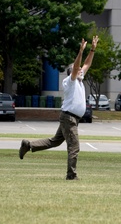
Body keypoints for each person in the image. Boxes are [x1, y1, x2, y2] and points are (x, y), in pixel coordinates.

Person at [19, 36, 99, 180]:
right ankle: (71, 175)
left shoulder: (79, 80)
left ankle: (28, 145)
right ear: (72, 73)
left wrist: (92, 49)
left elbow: (87, 64)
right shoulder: (71, 81)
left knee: (55, 141)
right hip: (69, 118)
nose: (81, 70)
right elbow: (77, 66)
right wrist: (80, 52)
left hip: (70, 117)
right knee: (74, 146)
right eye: (78, 70)